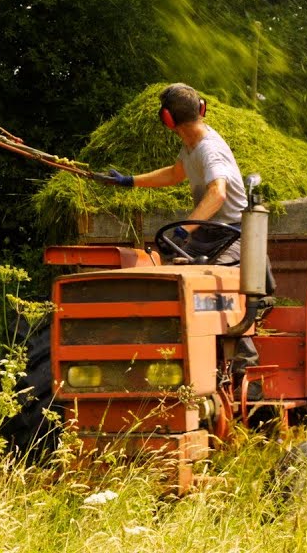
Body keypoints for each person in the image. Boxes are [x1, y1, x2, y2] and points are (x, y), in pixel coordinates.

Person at [93, 82, 261, 397]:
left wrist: (187, 229)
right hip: (209, 231)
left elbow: (218, 193)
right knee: (171, 283)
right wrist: (130, 181)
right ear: (201, 109)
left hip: (232, 233)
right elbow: (174, 174)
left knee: (220, 288)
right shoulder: (191, 145)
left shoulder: (209, 148)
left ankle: (247, 375)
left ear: (167, 119)